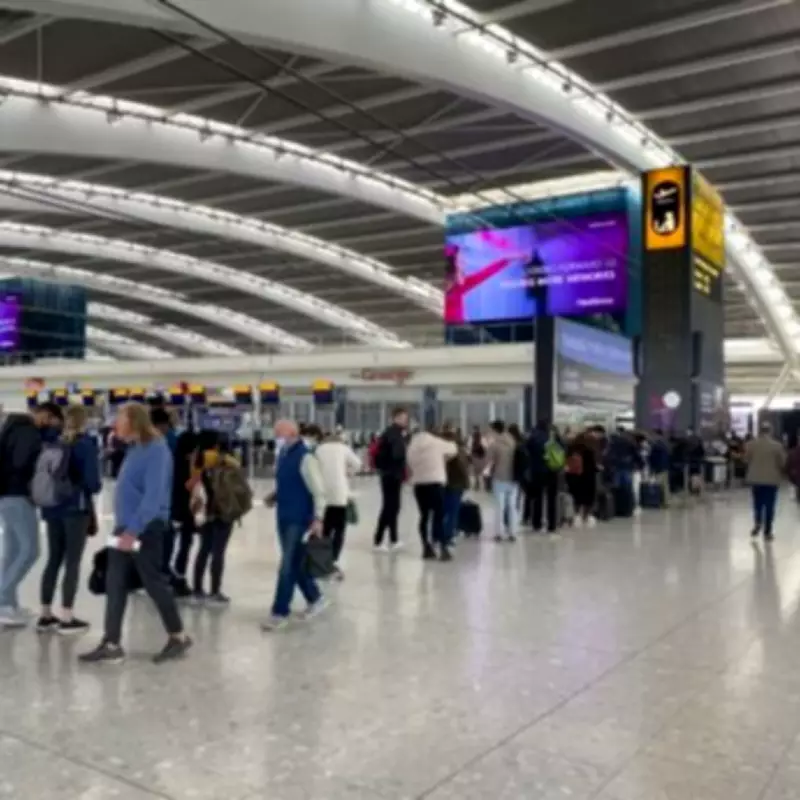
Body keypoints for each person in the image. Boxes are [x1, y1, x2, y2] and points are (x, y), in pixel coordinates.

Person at [80, 403, 191, 664]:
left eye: (119, 420)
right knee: (114, 581)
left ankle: (178, 636)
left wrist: (133, 530)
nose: (115, 425)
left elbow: (153, 497)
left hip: (145, 528)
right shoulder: (135, 448)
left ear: (134, 421)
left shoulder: (157, 450)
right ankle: (111, 643)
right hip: (124, 527)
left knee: (153, 582)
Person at [37, 405, 102, 634]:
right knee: (72, 562)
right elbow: (93, 484)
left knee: (53, 559)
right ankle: (67, 616)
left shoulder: (52, 442)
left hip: (52, 507)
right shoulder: (85, 445)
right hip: (75, 508)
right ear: (84, 421)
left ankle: (45, 615)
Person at [0, 402, 64, 629]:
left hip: (6, 495)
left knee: (13, 550)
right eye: (53, 421)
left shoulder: (11, 428)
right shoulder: (28, 432)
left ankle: (8, 604)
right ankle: (2, 598)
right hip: (18, 495)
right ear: (46, 415)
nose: (52, 426)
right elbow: (21, 463)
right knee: (30, 550)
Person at [262, 419, 329, 631]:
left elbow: (318, 490)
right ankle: (315, 597)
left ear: (292, 433)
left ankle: (279, 611)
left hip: (299, 519)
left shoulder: (306, 457)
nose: (276, 437)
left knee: (287, 566)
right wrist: (275, 496)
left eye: (279, 434)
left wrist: (318, 518)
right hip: (283, 515)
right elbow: (288, 482)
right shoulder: (283, 454)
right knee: (296, 562)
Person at [189, 432, 240, 605]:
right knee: (218, 552)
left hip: (205, 510)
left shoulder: (197, 459)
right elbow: (238, 470)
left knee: (204, 549)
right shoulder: (224, 459)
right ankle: (215, 591)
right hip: (223, 510)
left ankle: (197, 589)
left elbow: (192, 482)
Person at [314, 428, 361, 580]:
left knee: (326, 529)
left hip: (324, 494)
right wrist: (348, 472)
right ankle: (334, 559)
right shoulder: (343, 448)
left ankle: (324, 560)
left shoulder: (319, 449)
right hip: (340, 495)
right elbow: (358, 464)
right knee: (340, 530)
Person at [406, 425, 457, 560]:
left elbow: (409, 464)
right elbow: (453, 448)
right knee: (438, 516)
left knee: (424, 516)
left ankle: (426, 548)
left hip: (419, 485)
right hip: (435, 483)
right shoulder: (436, 442)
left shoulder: (412, 447)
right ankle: (443, 549)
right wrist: (444, 459)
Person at [373, 407, 408, 552]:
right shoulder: (394, 434)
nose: (405, 421)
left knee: (393, 507)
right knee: (390, 507)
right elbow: (397, 454)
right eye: (403, 418)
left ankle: (394, 539)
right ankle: (378, 540)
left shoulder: (390, 433)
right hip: (392, 475)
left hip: (389, 474)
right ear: (395, 418)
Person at [744, 421, 786, 542]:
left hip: (756, 479)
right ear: (770, 431)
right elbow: (782, 462)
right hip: (771, 480)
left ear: (760, 431)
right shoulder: (777, 446)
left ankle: (757, 523)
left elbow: (746, 460)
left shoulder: (751, 444)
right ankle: (768, 531)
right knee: (769, 505)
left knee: (757, 503)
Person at [526, 421, 562, 533]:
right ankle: (552, 524)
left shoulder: (533, 438)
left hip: (537, 471)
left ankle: (537, 523)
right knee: (552, 498)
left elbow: (527, 452)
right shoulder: (554, 437)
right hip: (552, 470)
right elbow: (562, 450)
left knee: (537, 498)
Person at [485, 421, 519, 542]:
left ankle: (499, 533)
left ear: (495, 430)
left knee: (500, 506)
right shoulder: (513, 442)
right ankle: (512, 532)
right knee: (512, 506)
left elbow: (487, 460)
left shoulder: (495, 444)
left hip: (499, 478)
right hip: (514, 478)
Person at [442, 428, 470, 547]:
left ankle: (439, 534)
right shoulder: (458, 451)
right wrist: (467, 483)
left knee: (442, 511)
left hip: (442, 484)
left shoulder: (440, 451)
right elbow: (463, 468)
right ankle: (448, 535)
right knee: (453, 512)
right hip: (456, 484)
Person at [565, 431, 598, 526]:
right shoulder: (589, 451)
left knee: (576, 497)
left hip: (574, 477)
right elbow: (593, 466)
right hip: (588, 478)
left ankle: (576, 515)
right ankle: (586, 517)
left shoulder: (571, 449)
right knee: (588, 499)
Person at [648, 429, 671, 508]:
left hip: (659, 468)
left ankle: (660, 501)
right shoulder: (665, 444)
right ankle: (666, 502)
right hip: (664, 467)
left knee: (660, 486)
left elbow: (652, 457)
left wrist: (652, 467)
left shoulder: (656, 445)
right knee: (665, 486)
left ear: (657, 435)